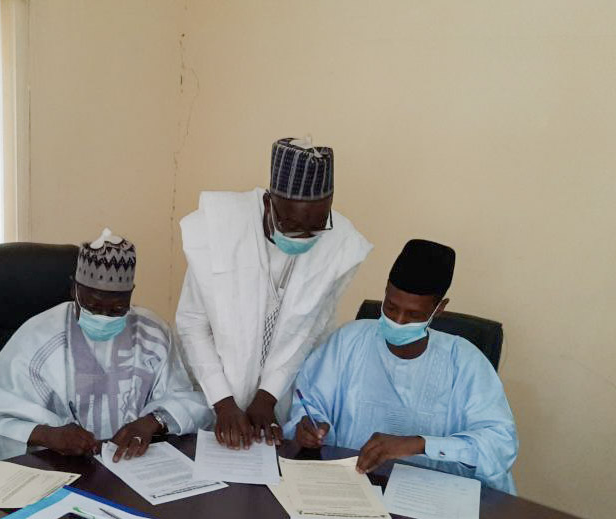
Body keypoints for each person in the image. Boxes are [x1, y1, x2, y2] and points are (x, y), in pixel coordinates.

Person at [0, 229, 211, 463]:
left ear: (131, 293)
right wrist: (48, 435)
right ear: (74, 289)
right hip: (55, 469)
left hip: (134, 465)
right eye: (93, 306)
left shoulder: (152, 332)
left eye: (117, 308)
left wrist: (153, 422)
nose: (103, 317)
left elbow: (191, 401)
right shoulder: (39, 336)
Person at [176, 137, 372, 450]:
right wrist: (223, 402)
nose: (305, 237)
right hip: (212, 393)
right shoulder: (218, 228)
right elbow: (192, 325)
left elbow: (312, 330)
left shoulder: (338, 243)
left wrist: (268, 397)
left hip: (277, 401)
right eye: (292, 225)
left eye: (317, 226)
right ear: (269, 203)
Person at [285, 239, 518, 493]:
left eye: (413, 315)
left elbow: (500, 445)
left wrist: (418, 444)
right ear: (385, 291)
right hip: (350, 488)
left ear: (439, 308)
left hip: (432, 499)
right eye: (391, 307)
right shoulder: (348, 341)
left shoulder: (465, 362)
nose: (398, 320)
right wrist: (310, 427)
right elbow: (308, 403)